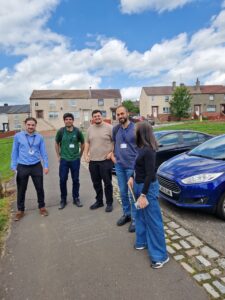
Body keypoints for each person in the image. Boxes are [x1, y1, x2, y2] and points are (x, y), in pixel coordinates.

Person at [128, 121, 169, 269]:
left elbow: (150, 173)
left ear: (142, 132)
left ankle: (160, 256)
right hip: (138, 185)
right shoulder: (140, 148)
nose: (133, 131)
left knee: (153, 221)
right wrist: (132, 177)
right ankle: (142, 241)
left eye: (136, 129)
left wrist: (144, 195)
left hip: (148, 189)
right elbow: (137, 167)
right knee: (140, 216)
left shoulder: (150, 150)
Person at [11, 117, 49, 221]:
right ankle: (20, 210)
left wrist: (46, 166)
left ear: (35, 126)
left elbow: (43, 153)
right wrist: (13, 166)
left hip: (36, 166)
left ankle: (42, 207)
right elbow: (14, 152)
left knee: (39, 188)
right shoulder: (18, 136)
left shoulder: (39, 137)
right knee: (21, 189)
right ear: (25, 125)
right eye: (29, 125)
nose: (31, 127)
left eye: (33, 125)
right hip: (22, 166)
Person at [111, 106, 137, 232]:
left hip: (132, 167)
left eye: (122, 113)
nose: (120, 116)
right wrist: (112, 155)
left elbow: (142, 146)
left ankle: (135, 219)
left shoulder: (136, 128)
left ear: (127, 113)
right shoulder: (116, 129)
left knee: (132, 194)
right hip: (119, 166)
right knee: (122, 192)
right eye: (118, 114)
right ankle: (127, 214)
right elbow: (113, 143)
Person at [84, 110, 114, 212]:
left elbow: (115, 141)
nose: (97, 117)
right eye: (95, 116)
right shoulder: (89, 129)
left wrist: (112, 153)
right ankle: (99, 201)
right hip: (93, 161)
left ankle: (109, 203)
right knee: (96, 183)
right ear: (92, 118)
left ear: (102, 116)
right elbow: (87, 142)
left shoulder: (109, 127)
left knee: (107, 183)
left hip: (105, 160)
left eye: (98, 116)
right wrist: (85, 155)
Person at [55, 113, 85, 209]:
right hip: (64, 160)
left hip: (75, 160)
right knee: (62, 180)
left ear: (73, 120)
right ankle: (63, 199)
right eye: (66, 119)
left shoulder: (77, 131)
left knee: (75, 180)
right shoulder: (61, 131)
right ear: (64, 121)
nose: (68, 120)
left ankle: (76, 198)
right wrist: (58, 155)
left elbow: (83, 143)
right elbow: (56, 143)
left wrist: (80, 155)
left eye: (70, 119)